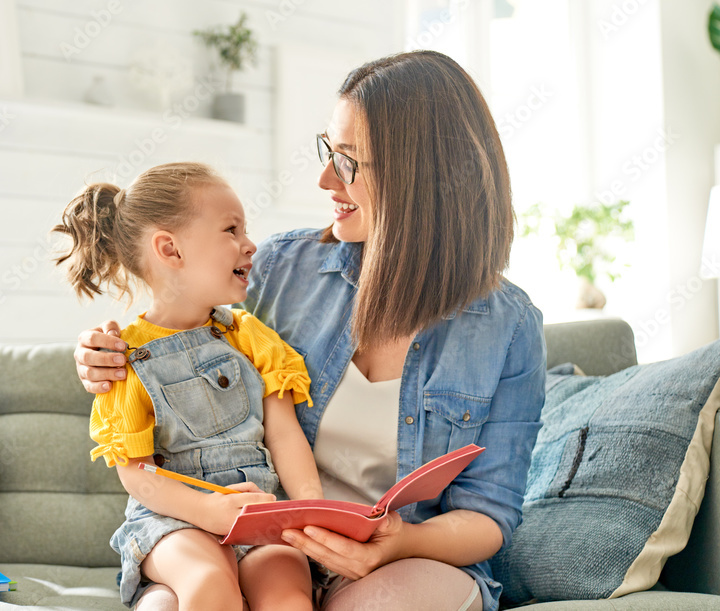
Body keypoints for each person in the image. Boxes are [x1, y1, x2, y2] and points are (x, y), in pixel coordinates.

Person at [72, 50, 547, 611]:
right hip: (261, 542)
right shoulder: (281, 269)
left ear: (421, 177)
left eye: (347, 162)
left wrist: (399, 544)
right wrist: (104, 357)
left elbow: (489, 513)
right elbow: (184, 333)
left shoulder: (508, 326)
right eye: (329, 151)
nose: (325, 179)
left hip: (394, 562)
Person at [53, 162, 324, 611]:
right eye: (231, 230)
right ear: (171, 249)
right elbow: (136, 474)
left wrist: (311, 508)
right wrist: (207, 513)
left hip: (257, 513)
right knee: (209, 583)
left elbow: (283, 433)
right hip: (174, 520)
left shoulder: (251, 337)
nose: (250, 244)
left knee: (289, 597)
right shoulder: (125, 360)